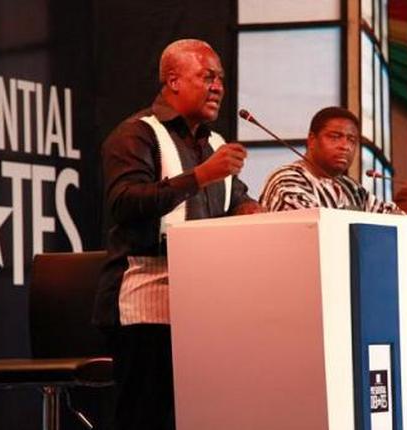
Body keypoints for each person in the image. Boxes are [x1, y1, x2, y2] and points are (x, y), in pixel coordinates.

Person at [92, 39, 261, 430]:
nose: (218, 86)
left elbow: (237, 201)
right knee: (149, 418)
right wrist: (201, 176)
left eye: (221, 78)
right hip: (147, 298)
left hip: (206, 301)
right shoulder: (135, 134)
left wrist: (262, 213)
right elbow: (125, 203)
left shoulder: (213, 144)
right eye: (207, 76)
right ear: (173, 81)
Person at [259, 106, 401, 214]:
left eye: (351, 140)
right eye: (335, 136)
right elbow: (313, 226)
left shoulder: (350, 187)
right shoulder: (288, 179)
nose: (345, 146)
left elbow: (393, 216)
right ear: (312, 140)